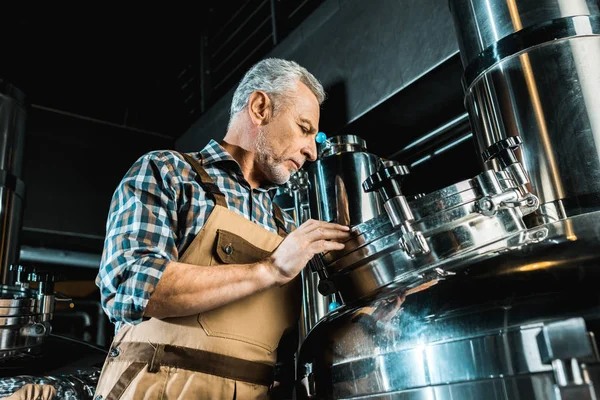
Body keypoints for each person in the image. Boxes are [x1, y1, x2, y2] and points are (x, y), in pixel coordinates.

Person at [92, 58, 351, 399]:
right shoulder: (169, 172)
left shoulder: (283, 226)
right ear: (260, 108)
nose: (312, 151)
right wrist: (269, 269)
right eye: (304, 128)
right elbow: (130, 287)